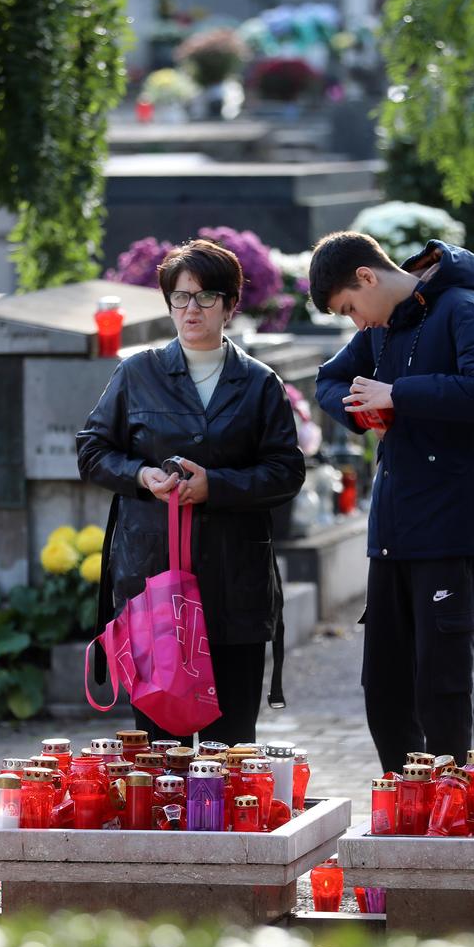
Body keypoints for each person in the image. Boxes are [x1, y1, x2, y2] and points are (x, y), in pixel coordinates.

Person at [77, 238, 306, 744]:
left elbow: (286, 471)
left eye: (205, 297)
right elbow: (92, 450)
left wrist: (215, 486)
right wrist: (142, 477)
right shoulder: (137, 373)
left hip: (234, 580)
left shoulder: (259, 383)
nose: (191, 309)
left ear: (230, 304)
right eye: (180, 297)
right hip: (153, 581)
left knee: (232, 744)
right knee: (159, 748)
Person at [311, 232, 474, 771]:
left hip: (450, 528)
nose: (357, 324)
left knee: (440, 687)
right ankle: (403, 802)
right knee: (384, 686)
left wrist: (398, 394)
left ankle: (450, 808)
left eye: (350, 308)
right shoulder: (382, 327)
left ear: (366, 276)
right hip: (392, 532)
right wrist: (363, 411)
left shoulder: (463, 308)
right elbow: (328, 379)